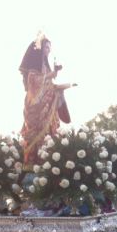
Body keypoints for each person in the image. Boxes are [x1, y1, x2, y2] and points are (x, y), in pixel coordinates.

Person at [19, 33, 76, 165]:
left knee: (50, 134)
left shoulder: (46, 68)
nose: (49, 50)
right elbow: (35, 82)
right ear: (39, 49)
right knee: (35, 135)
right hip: (35, 108)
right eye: (46, 47)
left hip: (48, 108)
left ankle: (48, 162)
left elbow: (52, 87)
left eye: (50, 47)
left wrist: (69, 85)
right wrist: (51, 75)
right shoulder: (34, 70)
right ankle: (32, 164)